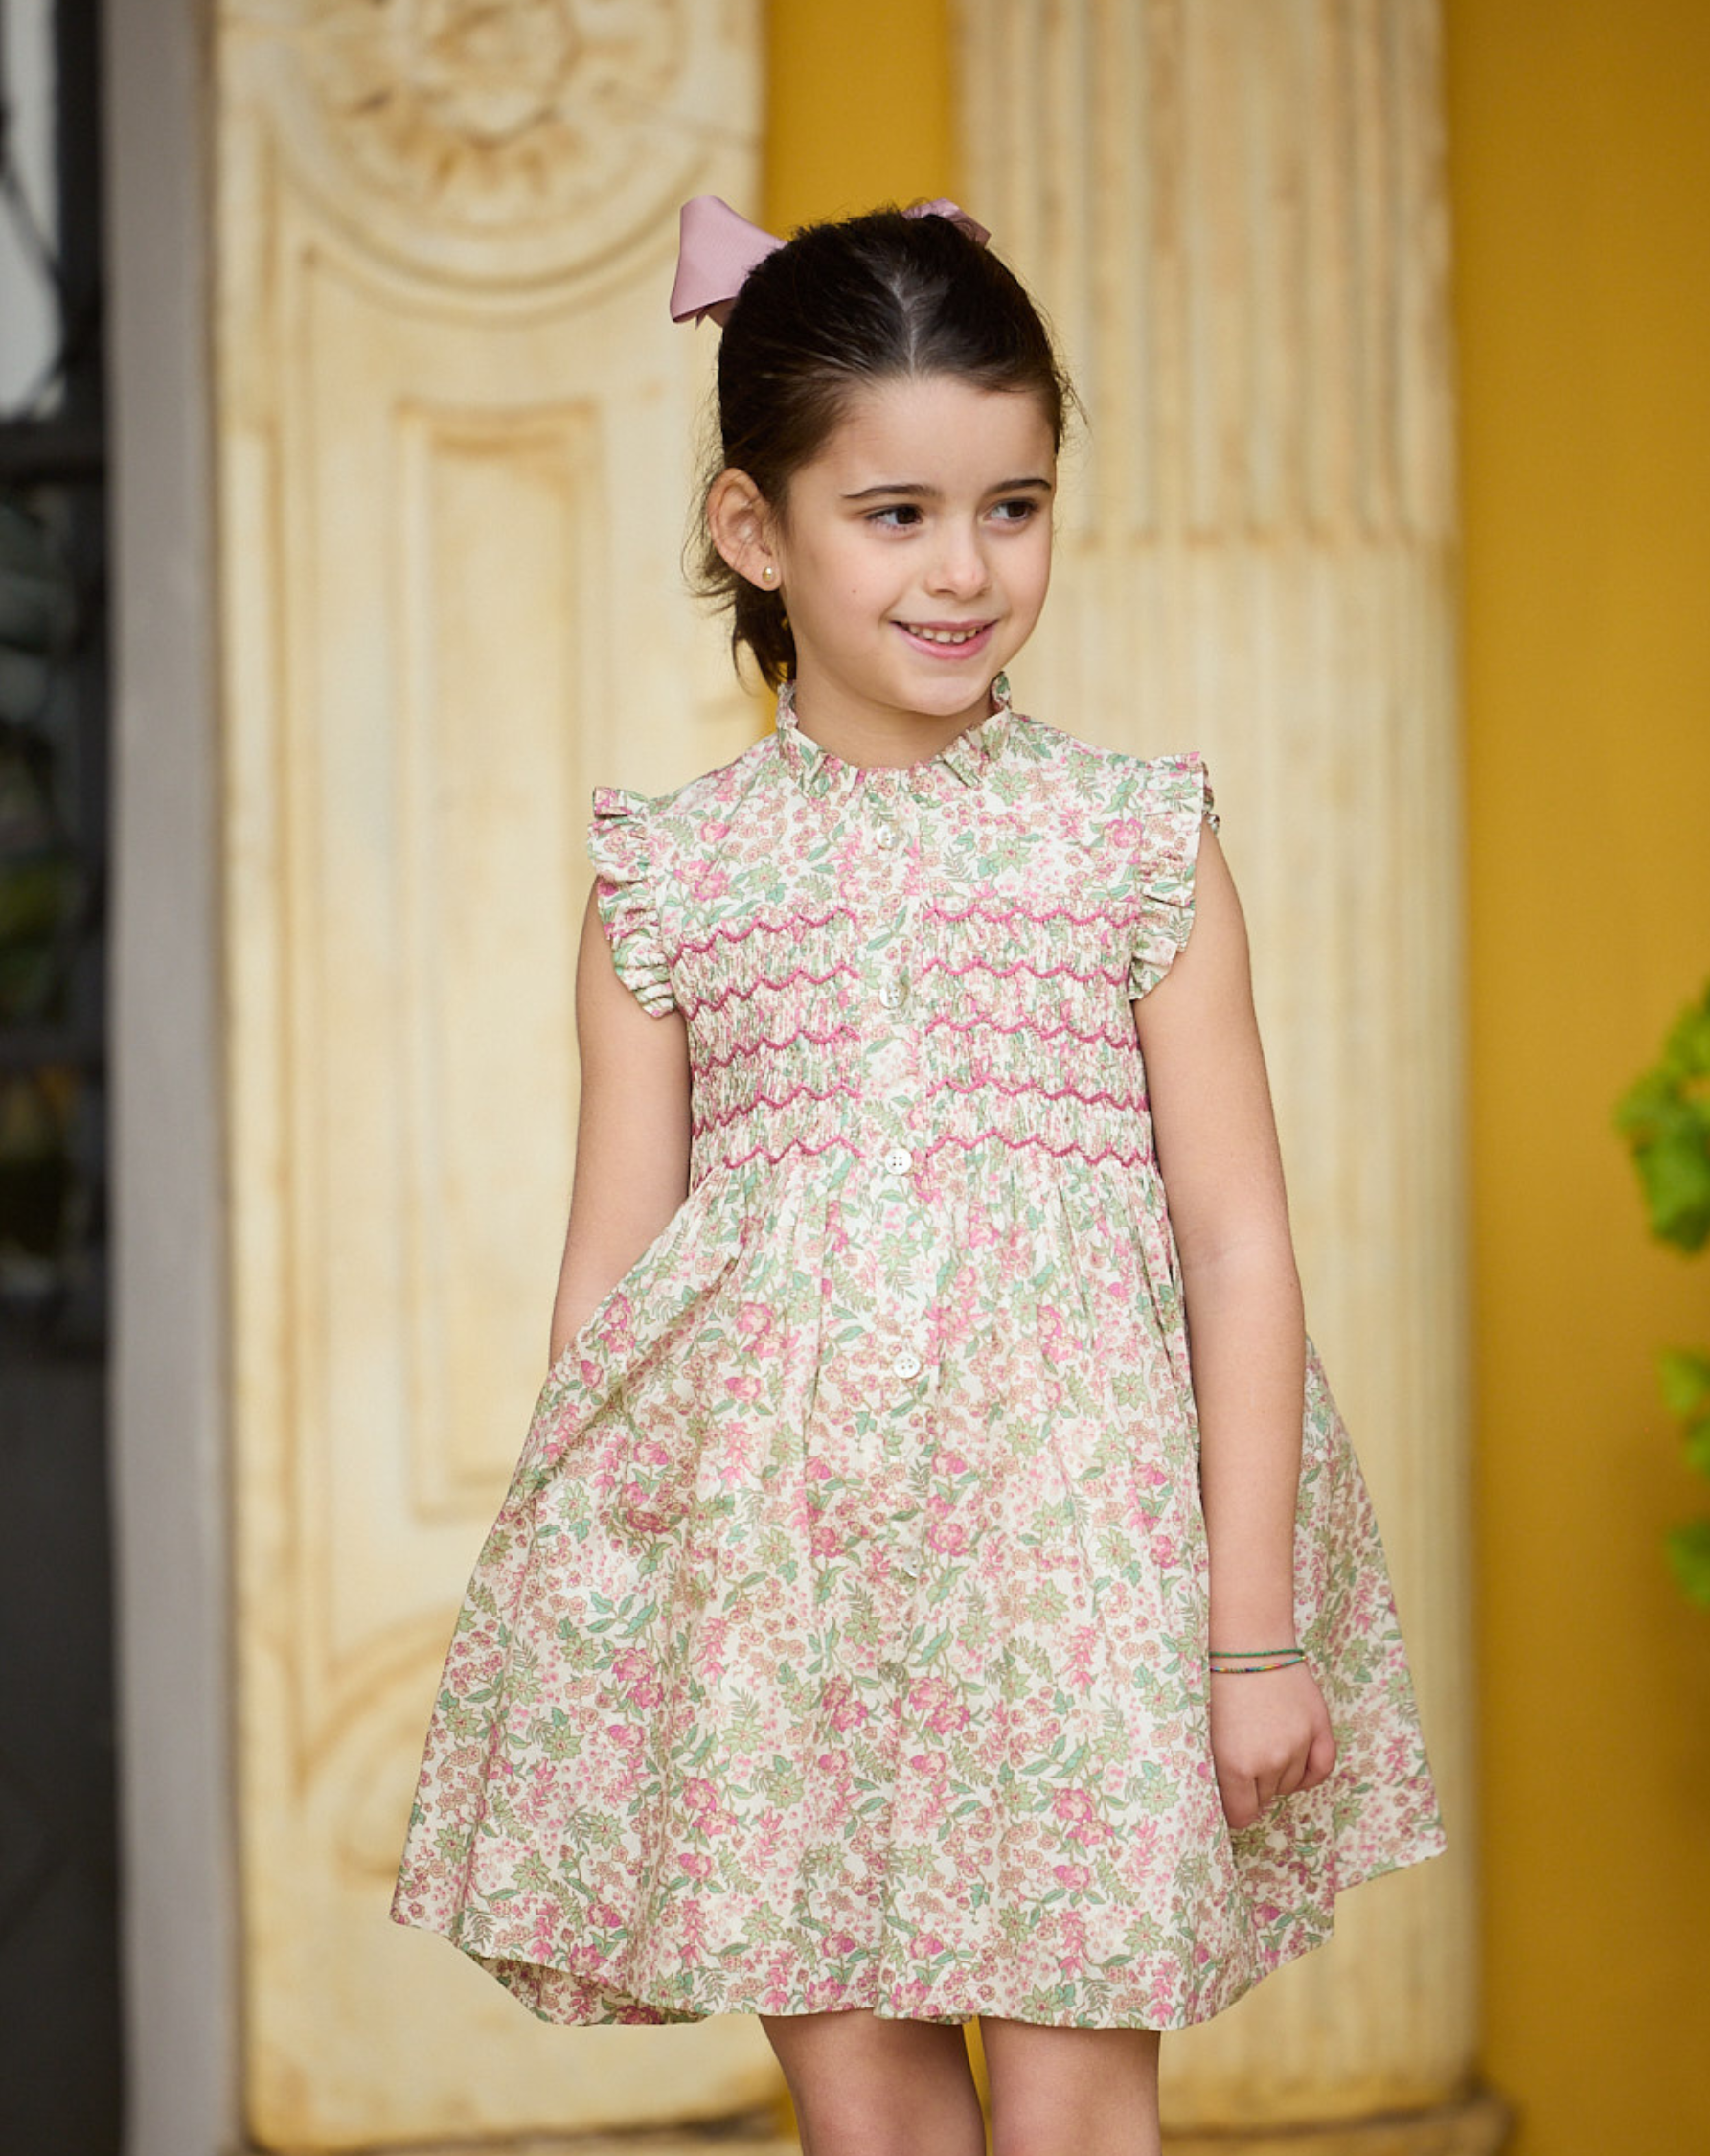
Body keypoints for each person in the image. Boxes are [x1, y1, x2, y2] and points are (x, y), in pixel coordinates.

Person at [392, 195, 1446, 2156]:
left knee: (1071, 2117)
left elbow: (1235, 1243)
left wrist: (1253, 1630)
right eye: (898, 515)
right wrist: (604, 1636)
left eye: (1015, 505)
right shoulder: (675, 876)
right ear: (751, 532)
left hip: (1088, 1591)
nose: (967, 570)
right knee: (870, 2124)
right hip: (791, 1595)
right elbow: (612, 1295)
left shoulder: (1135, 841)